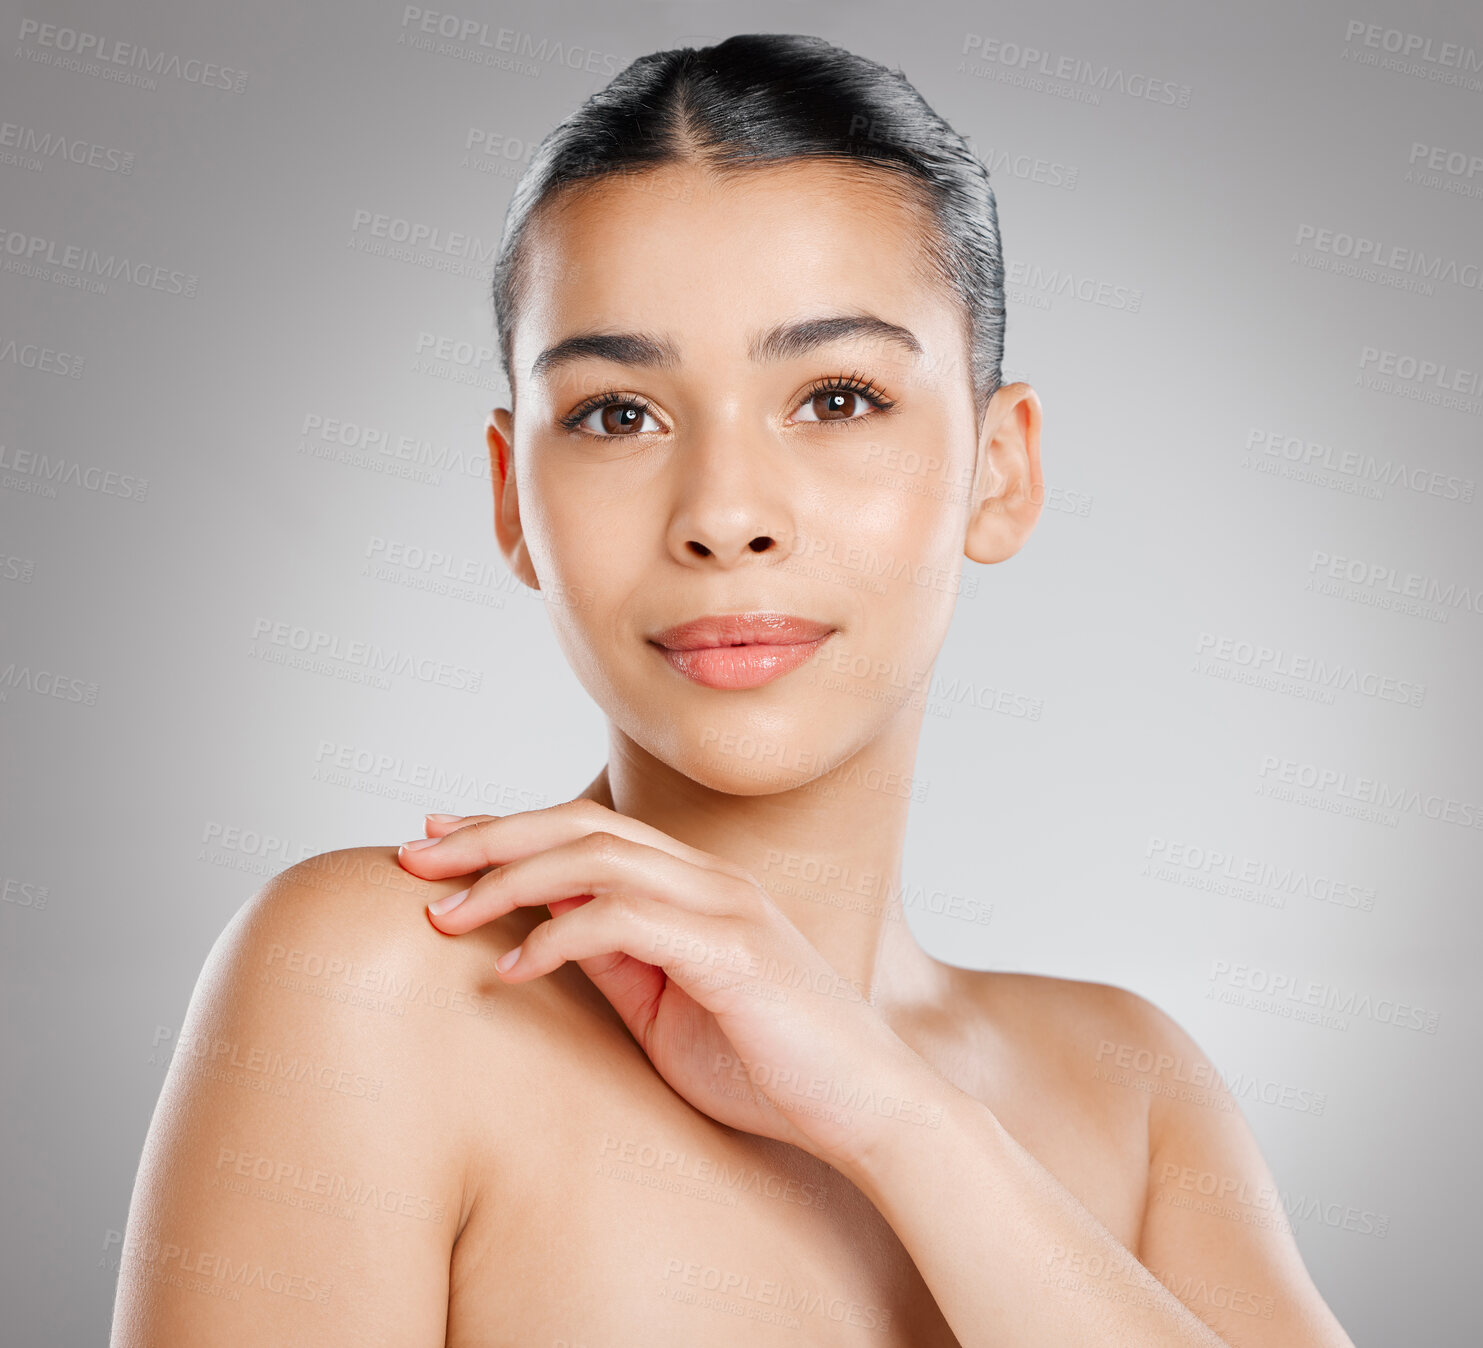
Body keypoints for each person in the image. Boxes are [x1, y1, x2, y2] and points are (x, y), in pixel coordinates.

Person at [111, 34, 1356, 1347]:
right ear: (509, 498)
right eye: (616, 415)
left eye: (834, 394)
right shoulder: (384, 979)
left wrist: (895, 1115)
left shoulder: (1136, 1090)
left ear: (1002, 470)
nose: (723, 515)